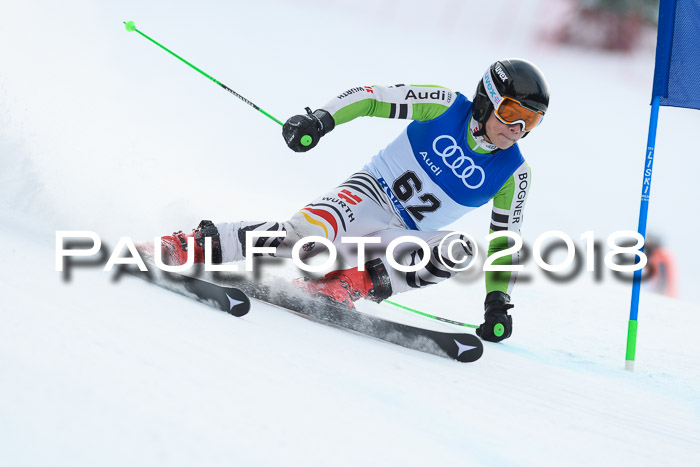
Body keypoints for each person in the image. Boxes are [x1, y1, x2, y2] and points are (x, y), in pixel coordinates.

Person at [158, 58, 551, 343]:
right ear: (487, 100)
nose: (517, 129)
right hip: (366, 197)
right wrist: (320, 120)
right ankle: (190, 244)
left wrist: (498, 300)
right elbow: (373, 98)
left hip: (399, 238)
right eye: (512, 112)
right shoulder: (446, 104)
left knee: (458, 249)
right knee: (301, 240)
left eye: (530, 121)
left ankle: (346, 285)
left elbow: (505, 242)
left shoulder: (515, 174)